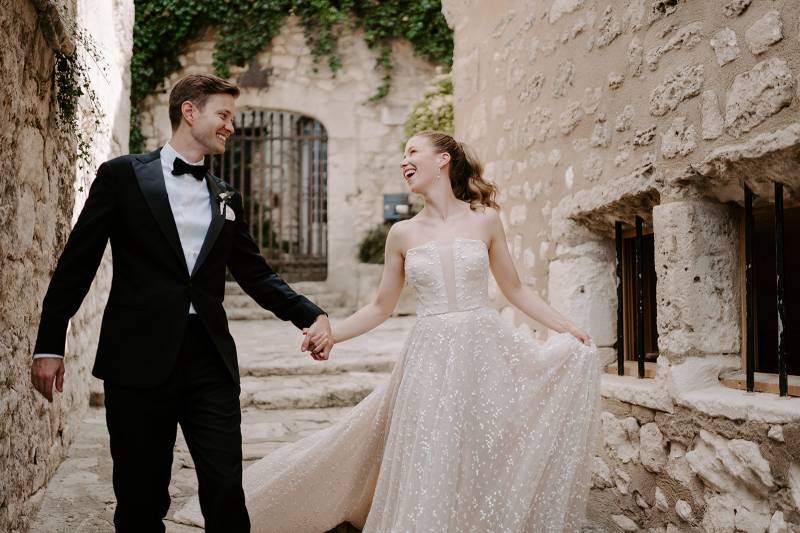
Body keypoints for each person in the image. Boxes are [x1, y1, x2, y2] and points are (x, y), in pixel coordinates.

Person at [176, 130, 601, 532]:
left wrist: (567, 328)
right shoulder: (402, 234)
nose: (405, 161)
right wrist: (331, 334)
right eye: (404, 154)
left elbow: (516, 289)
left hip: (483, 348)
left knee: (482, 442)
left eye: (413, 152)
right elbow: (381, 307)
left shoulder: (485, 221)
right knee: (434, 446)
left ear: (443, 160)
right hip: (431, 355)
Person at [30, 73, 333, 533]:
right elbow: (77, 264)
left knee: (226, 487)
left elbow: (256, 274)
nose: (230, 126)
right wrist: (50, 342)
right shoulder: (122, 176)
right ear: (189, 111)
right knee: (140, 493)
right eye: (224, 115)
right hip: (137, 359)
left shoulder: (225, 195)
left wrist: (311, 314)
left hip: (208, 358)